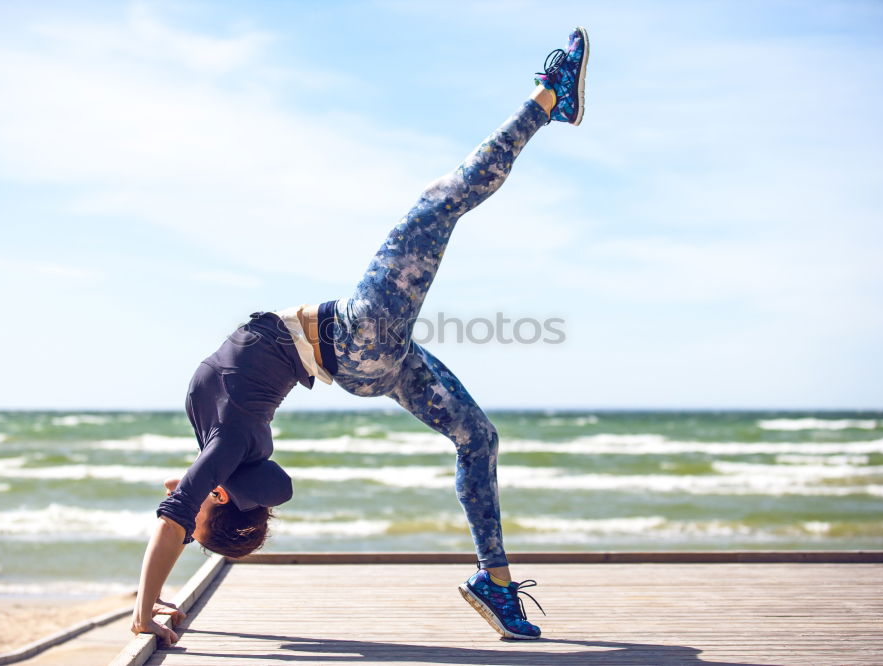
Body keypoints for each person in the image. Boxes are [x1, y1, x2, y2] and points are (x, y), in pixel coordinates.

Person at [132, 26, 589, 643]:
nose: (183, 490)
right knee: (437, 205)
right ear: (218, 493)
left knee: (477, 437)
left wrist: (195, 511)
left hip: (363, 364)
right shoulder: (230, 444)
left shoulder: (215, 436)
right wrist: (144, 607)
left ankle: (497, 583)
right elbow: (180, 513)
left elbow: (191, 503)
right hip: (357, 337)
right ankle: (548, 100)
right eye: (203, 500)